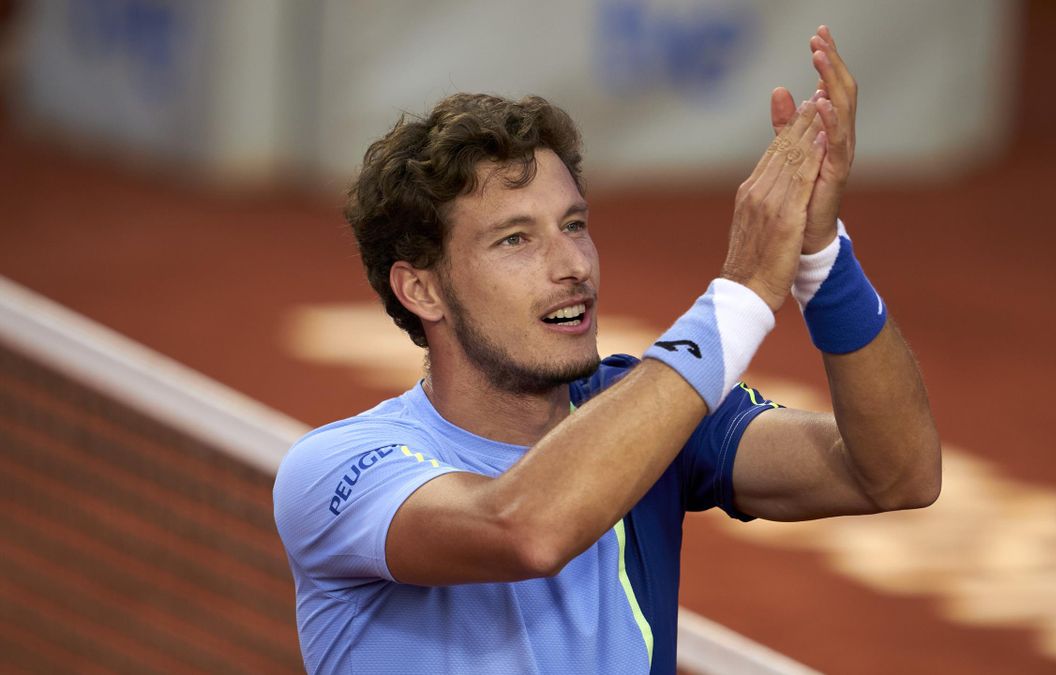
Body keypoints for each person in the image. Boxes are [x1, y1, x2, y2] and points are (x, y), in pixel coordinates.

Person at [273, 25, 940, 674]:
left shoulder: (648, 414)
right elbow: (522, 528)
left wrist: (819, 255)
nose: (572, 264)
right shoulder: (338, 469)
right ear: (421, 289)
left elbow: (897, 472)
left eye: (574, 225)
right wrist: (737, 297)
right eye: (515, 239)